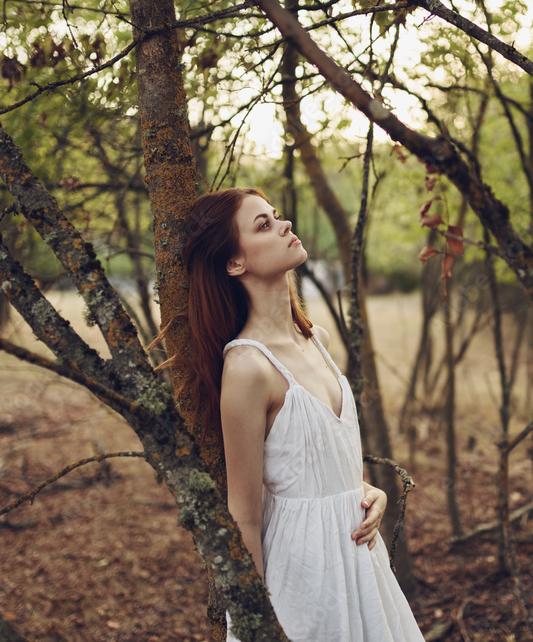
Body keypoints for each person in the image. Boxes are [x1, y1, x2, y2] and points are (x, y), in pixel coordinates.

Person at [176, 187, 424, 641]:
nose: (285, 225)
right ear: (235, 262)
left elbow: (313, 464)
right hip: (303, 580)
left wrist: (365, 491)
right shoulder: (248, 369)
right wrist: (256, 626)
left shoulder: (319, 342)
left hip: (360, 564)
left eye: (276, 216)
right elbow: (246, 516)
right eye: (264, 225)